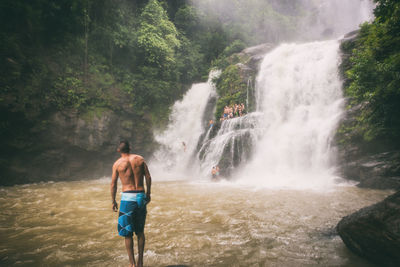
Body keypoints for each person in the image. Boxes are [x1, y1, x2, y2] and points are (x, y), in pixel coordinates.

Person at [111, 141, 152, 267]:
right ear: (131, 148)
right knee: (140, 231)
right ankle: (140, 263)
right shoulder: (139, 159)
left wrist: (113, 201)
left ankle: (132, 264)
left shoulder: (117, 164)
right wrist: (148, 194)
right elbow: (148, 177)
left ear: (119, 150)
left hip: (127, 199)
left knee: (127, 233)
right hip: (140, 196)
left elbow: (113, 184)